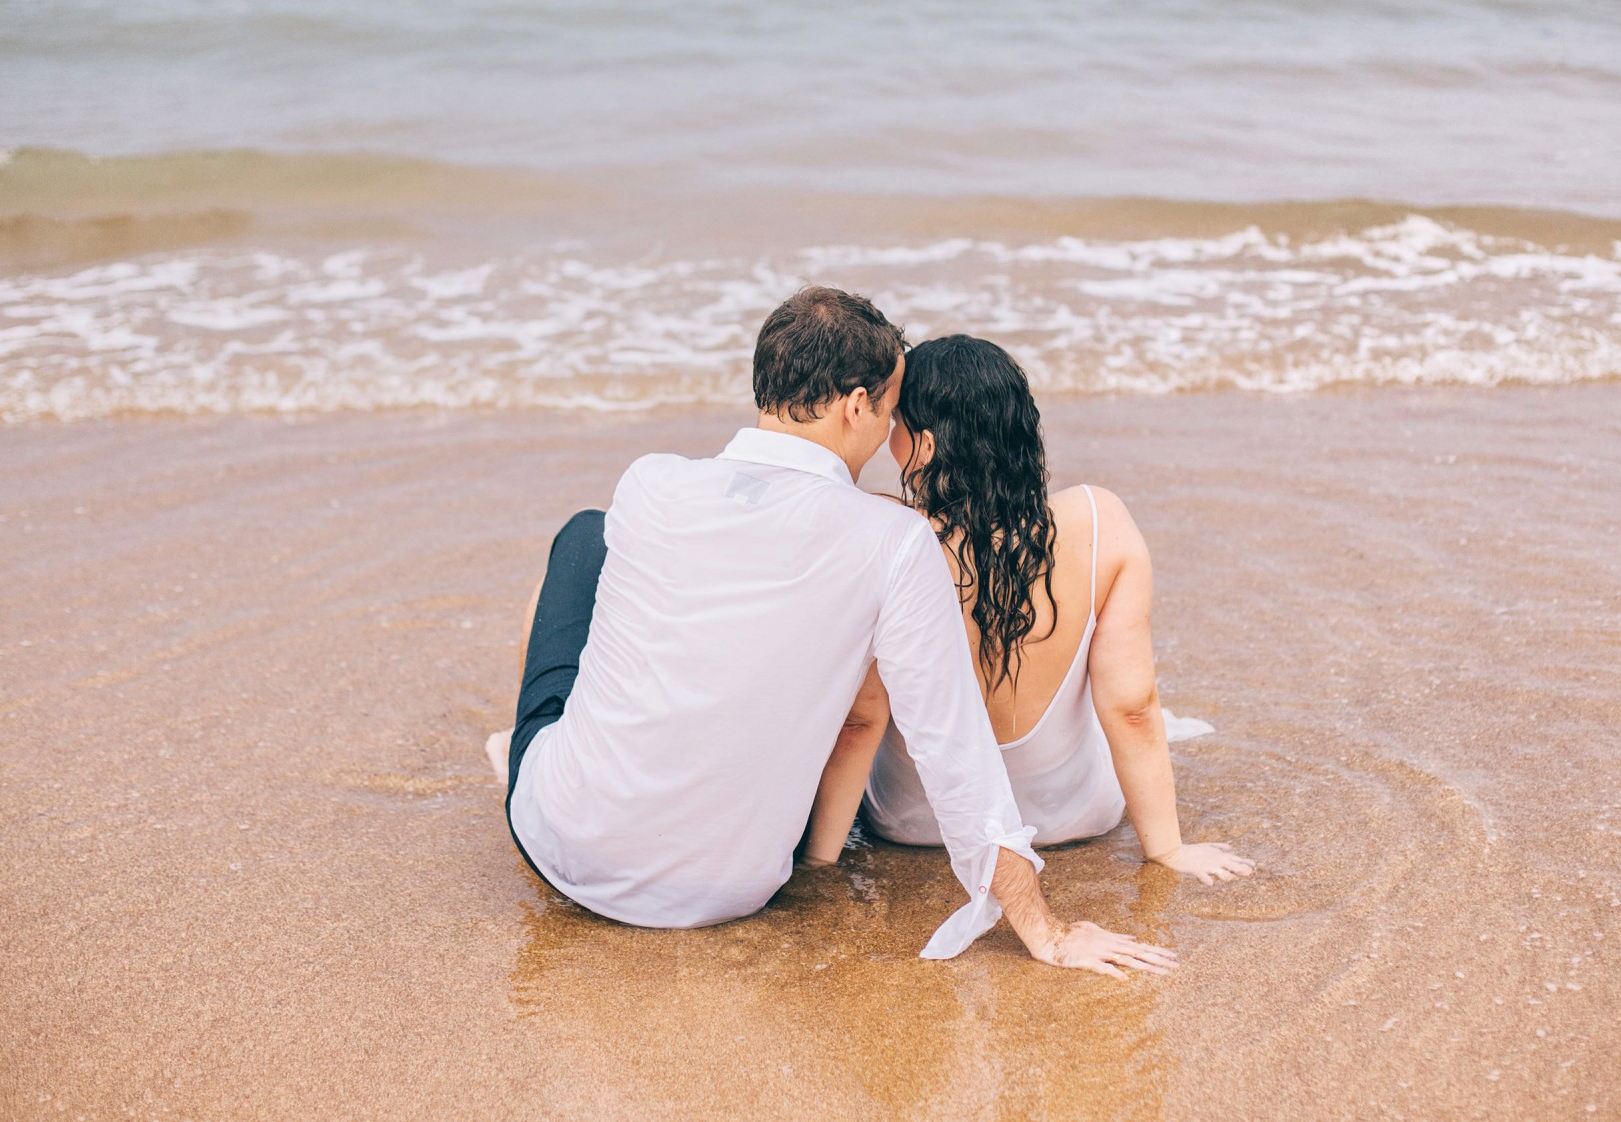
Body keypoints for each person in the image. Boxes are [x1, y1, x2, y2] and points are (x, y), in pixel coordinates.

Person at [487, 288, 1176, 978]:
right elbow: (953, 747)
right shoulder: (893, 542)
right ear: (856, 406)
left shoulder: (651, 483)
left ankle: (529, 750)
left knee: (584, 536)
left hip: (563, 846)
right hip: (735, 888)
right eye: (890, 408)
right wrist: (1043, 928)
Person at [799, 334, 1256, 886]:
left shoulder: (883, 533)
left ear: (922, 445)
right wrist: (1169, 851)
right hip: (1076, 815)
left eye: (895, 422)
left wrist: (818, 862)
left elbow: (861, 722)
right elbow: (1133, 710)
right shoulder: (1099, 523)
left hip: (916, 823)